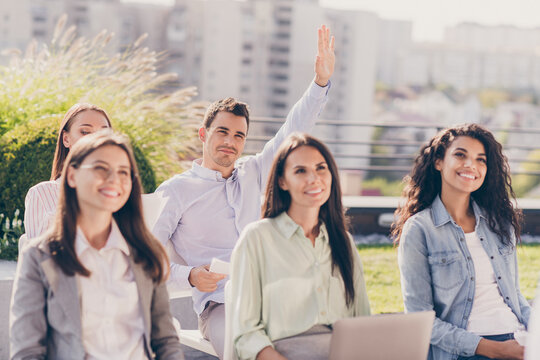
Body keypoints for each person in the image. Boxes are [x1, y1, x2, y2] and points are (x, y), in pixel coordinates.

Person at [152, 25, 335, 358]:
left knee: (330, 341)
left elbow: (293, 129)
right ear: (202, 134)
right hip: (221, 306)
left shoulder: (255, 170)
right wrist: (189, 276)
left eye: (238, 136)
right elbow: (145, 254)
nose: (230, 142)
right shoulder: (176, 191)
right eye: (222, 132)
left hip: (273, 297)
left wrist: (320, 82)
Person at [10, 131, 183, 360]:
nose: (114, 179)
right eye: (101, 168)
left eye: (124, 172)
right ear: (72, 175)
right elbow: (27, 352)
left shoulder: (146, 252)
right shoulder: (39, 257)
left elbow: (166, 342)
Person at [393, 124, 531, 360]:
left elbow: (514, 294)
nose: (471, 165)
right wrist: (494, 349)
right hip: (468, 350)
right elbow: (421, 319)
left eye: (481, 160)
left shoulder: (499, 221)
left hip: (518, 340)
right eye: (460, 155)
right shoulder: (420, 229)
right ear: (439, 162)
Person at [228, 133, 370, 360]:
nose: (314, 178)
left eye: (321, 168)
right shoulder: (257, 239)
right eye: (300, 171)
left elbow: (363, 322)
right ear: (282, 181)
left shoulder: (343, 242)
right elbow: (245, 334)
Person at [24, 103, 111, 239]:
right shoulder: (42, 194)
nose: (96, 140)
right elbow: (38, 256)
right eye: (85, 132)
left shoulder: (119, 192)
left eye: (103, 133)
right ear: (66, 139)